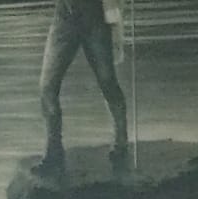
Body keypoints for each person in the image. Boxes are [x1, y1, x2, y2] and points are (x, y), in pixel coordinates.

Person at [34, 0, 128, 174]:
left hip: (95, 17)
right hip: (64, 15)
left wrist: (117, 28)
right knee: (47, 86)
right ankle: (53, 153)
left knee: (108, 82)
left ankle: (121, 144)